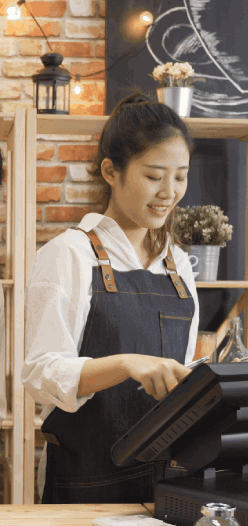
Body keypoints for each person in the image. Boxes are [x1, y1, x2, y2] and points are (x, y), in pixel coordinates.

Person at [22, 92, 199, 504]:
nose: (169, 192)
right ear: (110, 171)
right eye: (154, 176)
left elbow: (180, 371)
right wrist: (124, 364)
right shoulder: (69, 253)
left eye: (180, 176)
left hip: (167, 485)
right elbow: (41, 373)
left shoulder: (179, 266)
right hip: (86, 480)